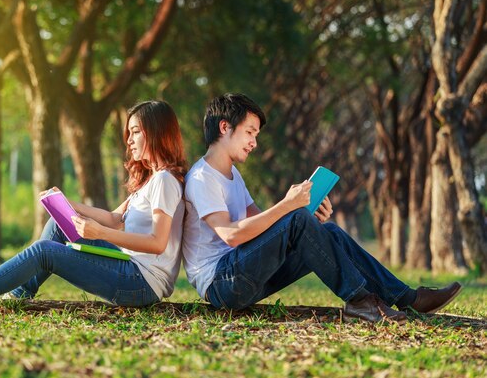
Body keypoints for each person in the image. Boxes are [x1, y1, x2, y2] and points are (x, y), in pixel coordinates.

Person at [182, 93, 462, 324]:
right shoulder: (202, 177)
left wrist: (307, 219)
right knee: (296, 220)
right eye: (249, 132)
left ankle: (409, 299)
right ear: (224, 127)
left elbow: (260, 223)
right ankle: (360, 302)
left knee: (328, 232)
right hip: (223, 283)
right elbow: (231, 235)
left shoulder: (233, 175)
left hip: (245, 273)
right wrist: (288, 208)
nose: (254, 142)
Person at [0, 100, 187, 311]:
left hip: (141, 283)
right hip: (128, 267)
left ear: (156, 133)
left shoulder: (164, 181)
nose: (128, 140)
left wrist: (99, 233)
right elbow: (114, 218)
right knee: (58, 224)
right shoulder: (152, 180)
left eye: (135, 132)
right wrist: (67, 203)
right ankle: (18, 296)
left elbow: (157, 243)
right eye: (128, 132)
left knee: (46, 252)